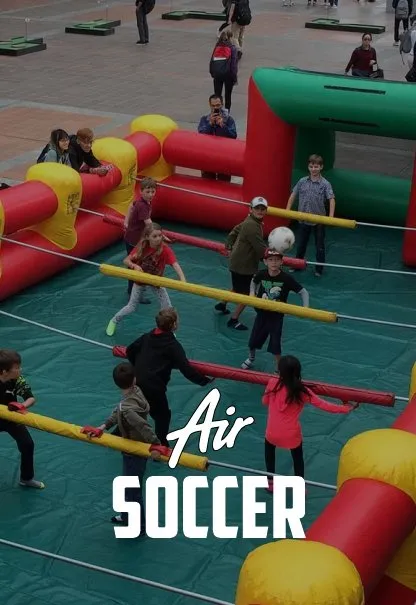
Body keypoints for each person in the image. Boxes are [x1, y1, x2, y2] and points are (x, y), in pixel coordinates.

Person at [81, 361, 163, 532]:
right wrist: (103, 426)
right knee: (128, 485)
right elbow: (118, 411)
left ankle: (140, 525)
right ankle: (127, 516)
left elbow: (143, 426)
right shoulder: (135, 392)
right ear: (134, 380)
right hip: (131, 448)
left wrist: (156, 445)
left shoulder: (127, 409)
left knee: (133, 490)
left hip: (135, 450)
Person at [262, 355, 356, 492]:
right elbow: (324, 405)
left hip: (272, 432)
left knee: (269, 452)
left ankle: (270, 482)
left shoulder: (272, 383)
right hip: (291, 434)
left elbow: (265, 402)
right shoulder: (302, 391)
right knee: (297, 458)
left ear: (280, 371)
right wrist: (346, 408)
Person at [125, 308, 213, 446]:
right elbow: (186, 369)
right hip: (154, 387)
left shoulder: (146, 337)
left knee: (136, 410)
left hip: (137, 381)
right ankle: (161, 445)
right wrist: (205, 380)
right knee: (162, 416)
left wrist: (138, 367)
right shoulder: (172, 346)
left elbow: (129, 350)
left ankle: (120, 432)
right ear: (174, 325)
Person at [106, 223, 185, 336]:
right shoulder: (142, 246)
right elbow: (126, 260)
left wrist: (182, 280)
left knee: (167, 308)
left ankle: (169, 331)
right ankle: (113, 321)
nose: (158, 239)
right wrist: (134, 266)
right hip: (140, 279)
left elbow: (175, 264)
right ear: (147, 237)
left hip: (156, 280)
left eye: (160, 235)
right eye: (154, 236)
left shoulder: (165, 249)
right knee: (131, 306)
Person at [241, 249, 309, 372]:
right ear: (265, 262)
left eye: (277, 260)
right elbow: (254, 281)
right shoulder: (261, 274)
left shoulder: (286, 278)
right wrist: (252, 293)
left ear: (281, 262)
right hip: (261, 313)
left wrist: (305, 308)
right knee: (253, 340)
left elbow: (303, 292)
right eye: (271, 260)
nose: (274, 262)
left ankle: (278, 368)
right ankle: (251, 358)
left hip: (276, 316)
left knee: (275, 344)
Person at [215, 196, 268, 330]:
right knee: (247, 293)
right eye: (257, 208)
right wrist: (272, 257)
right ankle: (234, 319)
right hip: (244, 265)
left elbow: (235, 230)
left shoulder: (249, 221)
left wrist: (229, 245)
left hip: (238, 262)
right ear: (251, 209)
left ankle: (222, 303)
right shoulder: (252, 226)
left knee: (237, 287)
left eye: (262, 209)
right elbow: (260, 248)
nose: (260, 211)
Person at [0, 349, 44, 489]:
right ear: (4, 371)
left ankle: (26, 478)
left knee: (27, 444)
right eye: (17, 368)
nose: (20, 370)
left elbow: (31, 398)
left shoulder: (17, 380)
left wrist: (22, 405)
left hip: (11, 417)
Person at [286, 154, 335, 277]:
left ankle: (319, 269)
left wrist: (330, 217)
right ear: (308, 167)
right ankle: (297, 265)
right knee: (301, 244)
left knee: (319, 246)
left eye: (316, 167)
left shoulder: (325, 184)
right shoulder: (302, 181)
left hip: (319, 220)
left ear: (321, 167)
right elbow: (293, 194)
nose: (313, 169)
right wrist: (287, 209)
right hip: (303, 219)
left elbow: (331, 199)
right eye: (311, 166)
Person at [124, 177, 157, 295]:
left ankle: (132, 290)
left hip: (134, 238)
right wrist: (161, 235)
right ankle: (134, 291)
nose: (151, 194)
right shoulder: (142, 206)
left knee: (135, 264)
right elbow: (149, 224)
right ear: (141, 191)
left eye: (153, 191)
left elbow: (131, 205)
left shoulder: (143, 201)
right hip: (134, 240)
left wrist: (126, 221)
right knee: (136, 265)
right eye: (148, 192)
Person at [197, 94, 237, 182]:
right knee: (207, 182)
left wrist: (223, 126)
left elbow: (233, 136)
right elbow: (200, 136)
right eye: (213, 105)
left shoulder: (229, 119)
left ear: (222, 104)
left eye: (218, 105)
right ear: (210, 105)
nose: (215, 107)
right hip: (208, 156)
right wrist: (210, 124)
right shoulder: (205, 119)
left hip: (224, 157)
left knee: (224, 183)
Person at [209, 30, 238, 112]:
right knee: (228, 95)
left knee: (217, 95)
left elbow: (212, 61)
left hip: (217, 74)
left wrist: (213, 73)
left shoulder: (217, 46)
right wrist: (234, 78)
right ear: (230, 37)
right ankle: (226, 113)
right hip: (228, 75)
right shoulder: (232, 48)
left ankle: (216, 112)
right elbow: (233, 65)